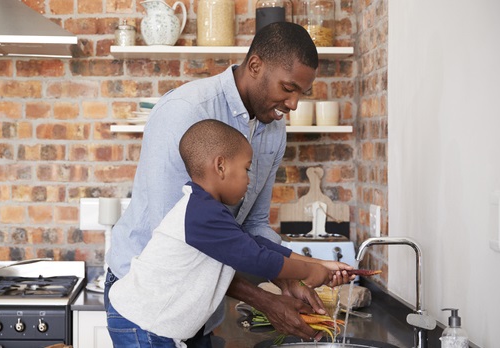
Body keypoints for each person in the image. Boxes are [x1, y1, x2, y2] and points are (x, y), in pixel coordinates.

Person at [105, 21, 352, 346]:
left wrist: (290, 276)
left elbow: (253, 225)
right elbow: (190, 246)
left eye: (301, 94)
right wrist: (274, 292)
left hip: (197, 307)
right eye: (288, 88)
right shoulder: (185, 113)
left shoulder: (274, 128)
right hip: (149, 307)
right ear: (255, 66)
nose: (293, 105)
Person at [107, 120, 350, 347]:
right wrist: (310, 271)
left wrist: (320, 264)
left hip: (150, 325)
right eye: (246, 169)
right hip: (142, 324)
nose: (249, 180)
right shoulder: (201, 213)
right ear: (221, 166)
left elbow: (253, 244)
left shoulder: (207, 209)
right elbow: (256, 258)